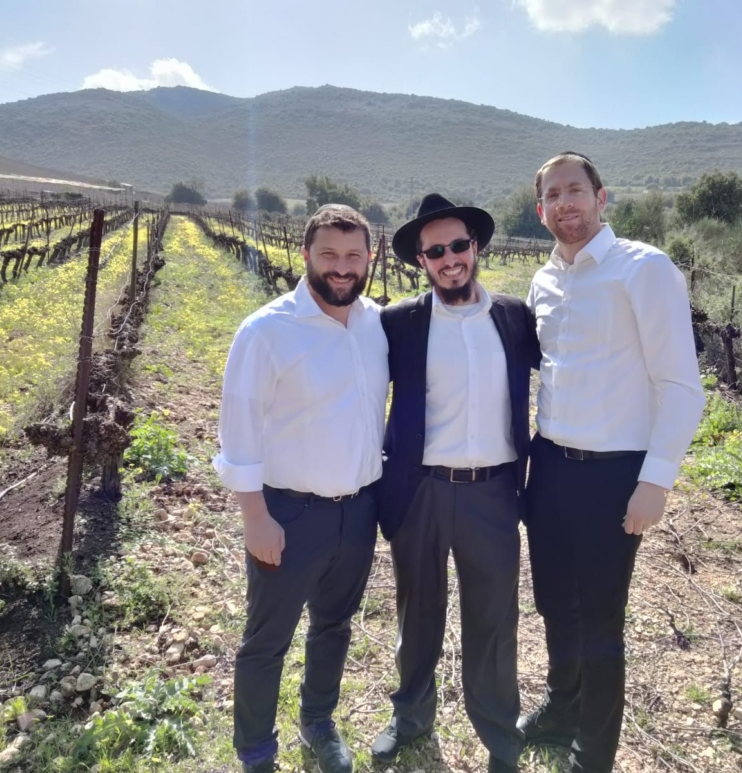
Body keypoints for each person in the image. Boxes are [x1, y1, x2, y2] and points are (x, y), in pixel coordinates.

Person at [519, 153, 705, 773]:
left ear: (602, 198)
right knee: (553, 602)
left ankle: (593, 753)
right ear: (540, 210)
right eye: (553, 195)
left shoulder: (643, 269)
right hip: (549, 465)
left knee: (600, 619)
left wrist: (655, 479)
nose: (565, 203)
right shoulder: (543, 282)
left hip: (613, 473)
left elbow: (681, 386)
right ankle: (561, 708)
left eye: (575, 190)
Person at [212, 204, 389, 773]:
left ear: (370, 258)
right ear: (306, 254)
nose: (342, 267)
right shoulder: (266, 331)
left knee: (334, 625)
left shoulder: (376, 324)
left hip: (359, 511)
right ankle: (256, 753)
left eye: (353, 255)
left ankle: (317, 723)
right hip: (288, 514)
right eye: (329, 254)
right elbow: (238, 432)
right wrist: (255, 517)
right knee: (267, 641)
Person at [372, 194, 539, 773]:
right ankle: (411, 718)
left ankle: (500, 736)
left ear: (476, 246)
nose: (450, 259)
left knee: (494, 621)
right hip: (419, 491)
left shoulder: (514, 316)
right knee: (417, 613)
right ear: (421, 261)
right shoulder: (399, 323)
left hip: (493, 493)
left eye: (458, 246)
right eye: (435, 251)